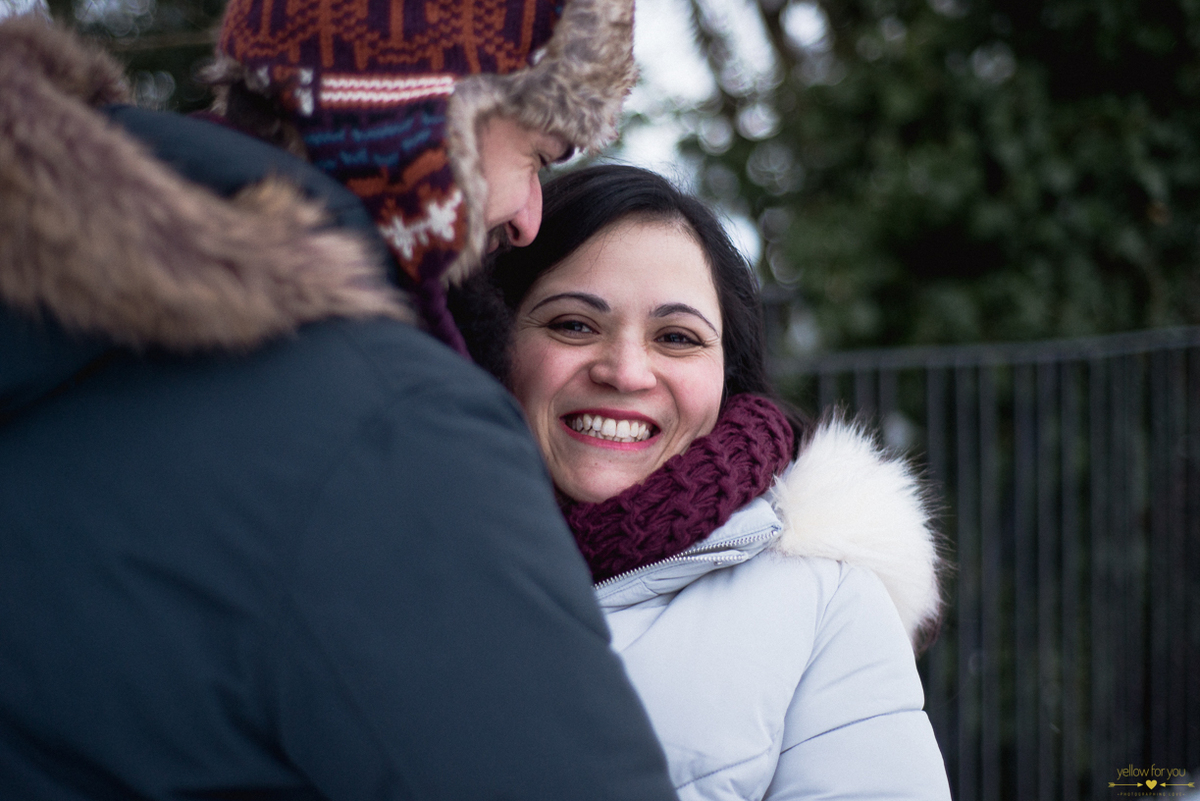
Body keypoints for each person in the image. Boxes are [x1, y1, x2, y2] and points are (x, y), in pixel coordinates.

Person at [0, 9, 682, 801]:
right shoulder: (391, 425)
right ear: (430, 113)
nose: (531, 216)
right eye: (535, 154)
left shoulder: (45, 323)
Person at [455, 164, 955, 800]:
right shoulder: (377, 557)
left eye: (677, 337)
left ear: (728, 374)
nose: (627, 372)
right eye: (574, 325)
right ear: (494, 338)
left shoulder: (825, 604)